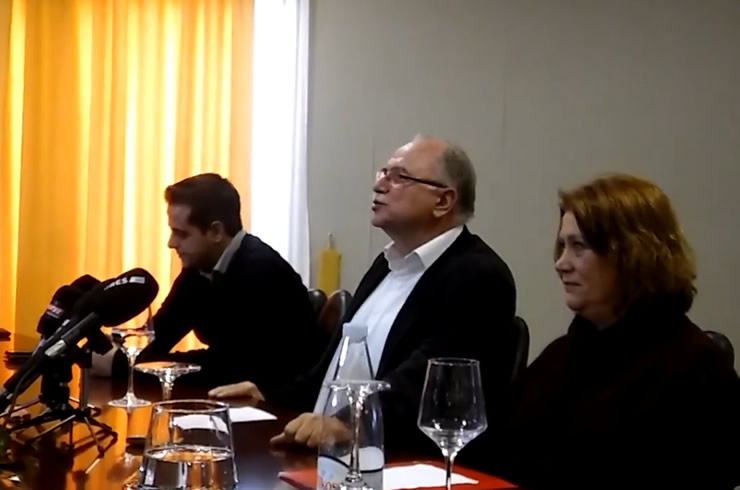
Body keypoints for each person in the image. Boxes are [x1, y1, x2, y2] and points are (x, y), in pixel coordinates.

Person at [209, 136, 518, 452]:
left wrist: (346, 424)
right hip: (329, 450)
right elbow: (329, 374)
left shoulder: (478, 276)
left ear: (443, 201)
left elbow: (423, 387)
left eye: (399, 177)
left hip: (399, 457)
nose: (379, 185)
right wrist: (266, 394)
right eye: (383, 173)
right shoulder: (386, 263)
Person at [479, 174, 740, 489]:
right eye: (562, 246)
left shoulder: (696, 369)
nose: (561, 263)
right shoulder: (564, 353)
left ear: (632, 252)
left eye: (579, 247)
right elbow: (498, 452)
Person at [97, 173, 324, 390]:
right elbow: (159, 334)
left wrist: (122, 367)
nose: (171, 243)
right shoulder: (200, 268)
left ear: (216, 231)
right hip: (235, 390)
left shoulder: (260, 273)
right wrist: (117, 350)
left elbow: (227, 367)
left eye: (181, 233)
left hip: (277, 404)